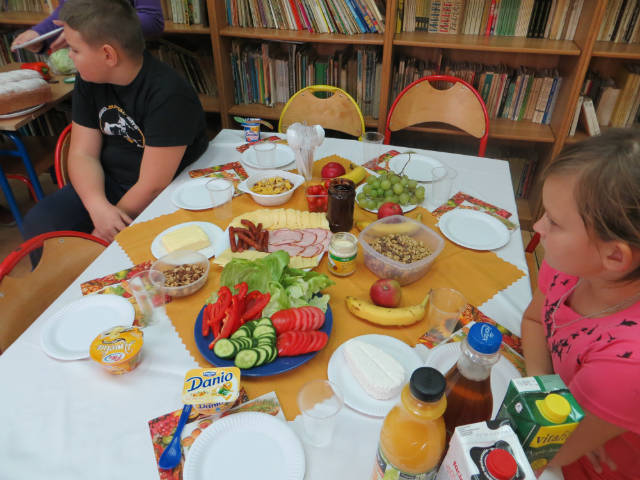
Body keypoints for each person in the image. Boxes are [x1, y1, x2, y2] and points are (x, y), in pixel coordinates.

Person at [22, 0, 208, 244]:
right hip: (107, 182)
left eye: (75, 50)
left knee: (116, 250)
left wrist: (106, 227)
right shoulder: (89, 78)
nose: (69, 56)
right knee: (39, 223)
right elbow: (82, 154)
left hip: (166, 191)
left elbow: (152, 185)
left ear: (108, 54)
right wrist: (98, 207)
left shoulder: (168, 95)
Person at [521, 128, 640, 479]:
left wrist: (558, 426)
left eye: (554, 222)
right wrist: (549, 400)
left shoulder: (625, 368)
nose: (537, 226)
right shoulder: (571, 267)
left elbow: (551, 450)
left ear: (614, 257)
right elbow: (534, 321)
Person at [10, 0, 163, 53]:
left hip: (127, 66)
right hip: (90, 70)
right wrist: (39, 34)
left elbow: (153, 20)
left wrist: (90, 25)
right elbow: (68, 9)